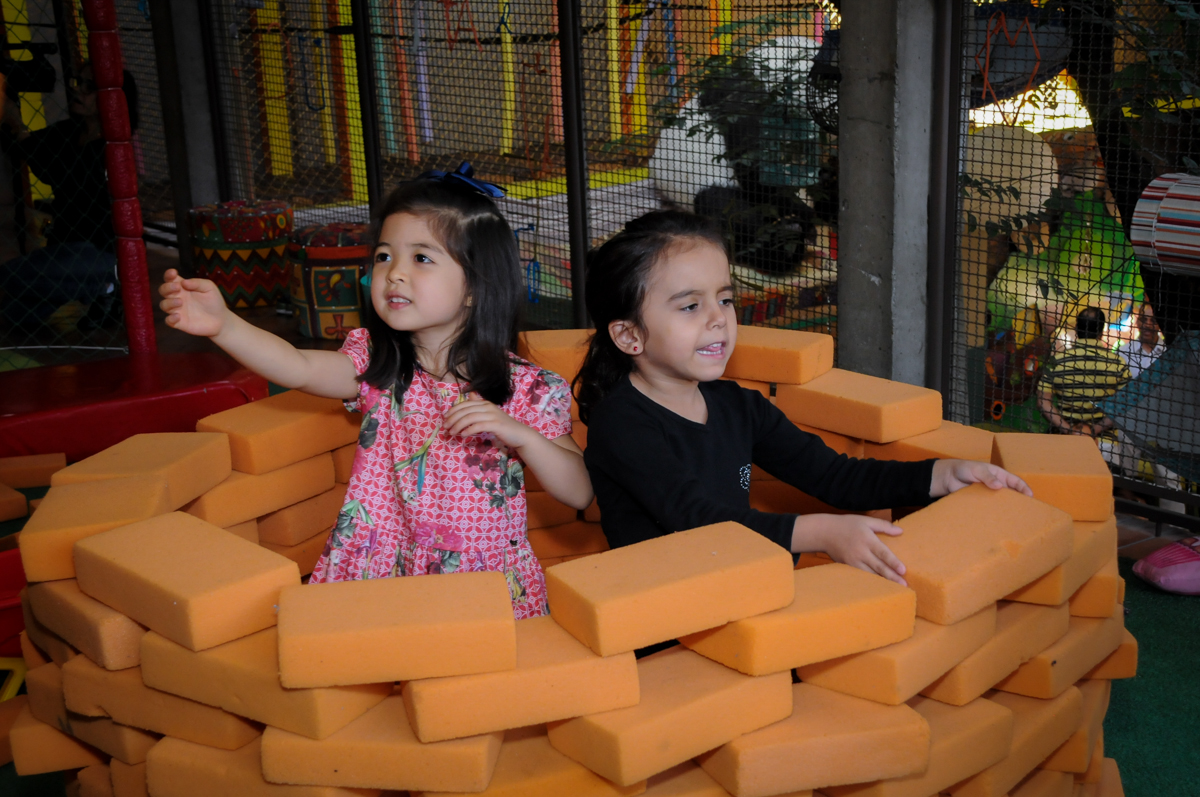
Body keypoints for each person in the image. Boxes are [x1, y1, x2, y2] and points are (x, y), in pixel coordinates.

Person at [158, 167, 593, 618]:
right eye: (384, 256)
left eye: (421, 258)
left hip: (477, 584)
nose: (394, 274)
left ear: (475, 287)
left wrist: (521, 434)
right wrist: (225, 325)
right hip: (382, 567)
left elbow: (579, 491)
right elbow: (299, 366)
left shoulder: (527, 389)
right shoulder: (377, 365)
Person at [575, 210, 1030, 586]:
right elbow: (694, 518)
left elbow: (834, 476)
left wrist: (942, 474)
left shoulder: (737, 405)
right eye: (691, 306)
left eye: (726, 299)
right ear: (630, 336)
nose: (719, 320)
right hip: (664, 615)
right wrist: (820, 532)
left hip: (743, 587)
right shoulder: (623, 423)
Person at [0, 63, 138, 330]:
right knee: (16, 317)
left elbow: (63, 173)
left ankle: (105, 283)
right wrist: (10, 113)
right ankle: (100, 290)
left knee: (7, 276)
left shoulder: (115, 147)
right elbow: (26, 146)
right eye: (78, 82)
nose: (77, 90)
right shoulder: (69, 132)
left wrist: (13, 119)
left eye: (89, 86)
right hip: (63, 247)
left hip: (100, 250)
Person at [1038, 307, 1130, 438]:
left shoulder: (1057, 362)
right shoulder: (1118, 364)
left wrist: (1070, 431)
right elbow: (1125, 405)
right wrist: (1093, 431)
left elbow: (1043, 402)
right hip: (1106, 442)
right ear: (1102, 331)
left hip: (1065, 440)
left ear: (1076, 329)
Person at [1117, 304, 1164, 380]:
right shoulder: (1122, 353)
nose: (1148, 325)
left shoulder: (1169, 351)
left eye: (1153, 320)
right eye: (1143, 320)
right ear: (1137, 322)